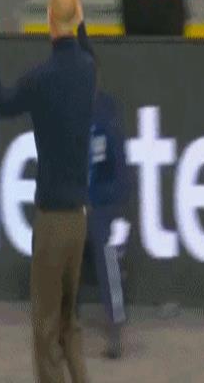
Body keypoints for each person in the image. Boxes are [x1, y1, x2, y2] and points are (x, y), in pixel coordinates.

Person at [0, 0, 95, 383]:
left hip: (50, 222)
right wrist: (76, 12)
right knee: (69, 326)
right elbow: (85, 45)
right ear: (76, 15)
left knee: (45, 334)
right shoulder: (88, 70)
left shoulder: (40, 80)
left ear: (47, 18)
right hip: (79, 219)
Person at [87, 90, 130, 359]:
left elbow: (117, 175)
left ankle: (115, 325)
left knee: (108, 259)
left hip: (107, 205)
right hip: (84, 203)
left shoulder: (104, 123)